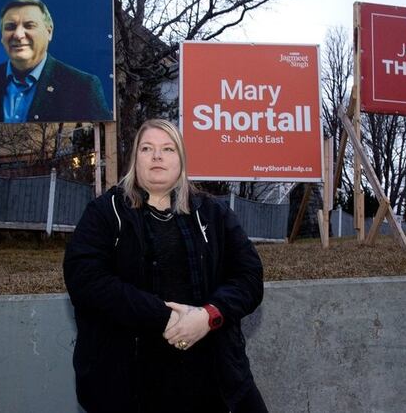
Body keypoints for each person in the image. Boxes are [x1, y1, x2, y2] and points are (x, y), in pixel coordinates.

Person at [63, 119, 268, 413]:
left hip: (216, 379)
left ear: (181, 160)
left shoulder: (213, 213)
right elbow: (85, 278)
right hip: (129, 385)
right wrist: (163, 317)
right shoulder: (105, 212)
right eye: (147, 148)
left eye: (168, 149)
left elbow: (249, 277)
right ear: (135, 159)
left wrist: (208, 316)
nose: (157, 156)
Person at [0, 0, 111, 124]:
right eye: (10, 27)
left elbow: (101, 132)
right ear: (1, 36)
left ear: (49, 32)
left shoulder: (82, 87)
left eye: (29, 26)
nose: (18, 35)